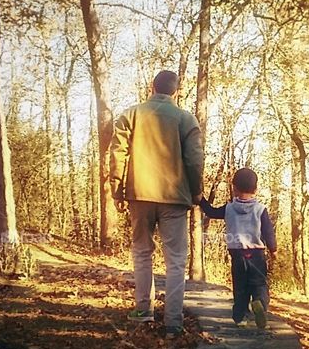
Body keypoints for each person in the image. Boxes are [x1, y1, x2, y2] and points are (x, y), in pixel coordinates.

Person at [109, 70, 204, 335]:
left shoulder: (131, 114)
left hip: (139, 194)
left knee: (142, 253)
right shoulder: (186, 119)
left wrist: (118, 189)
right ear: (176, 90)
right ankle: (173, 322)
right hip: (175, 198)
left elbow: (118, 154)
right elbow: (195, 159)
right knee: (175, 260)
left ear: (152, 87)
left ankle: (143, 310)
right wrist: (196, 192)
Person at [199, 168, 277, 329]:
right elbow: (268, 232)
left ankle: (240, 317)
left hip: (237, 255)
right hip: (256, 255)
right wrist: (273, 250)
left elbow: (211, 212)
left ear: (234, 188)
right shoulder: (260, 210)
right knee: (259, 284)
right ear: (255, 189)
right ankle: (260, 304)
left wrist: (201, 199)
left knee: (240, 287)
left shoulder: (229, 208)